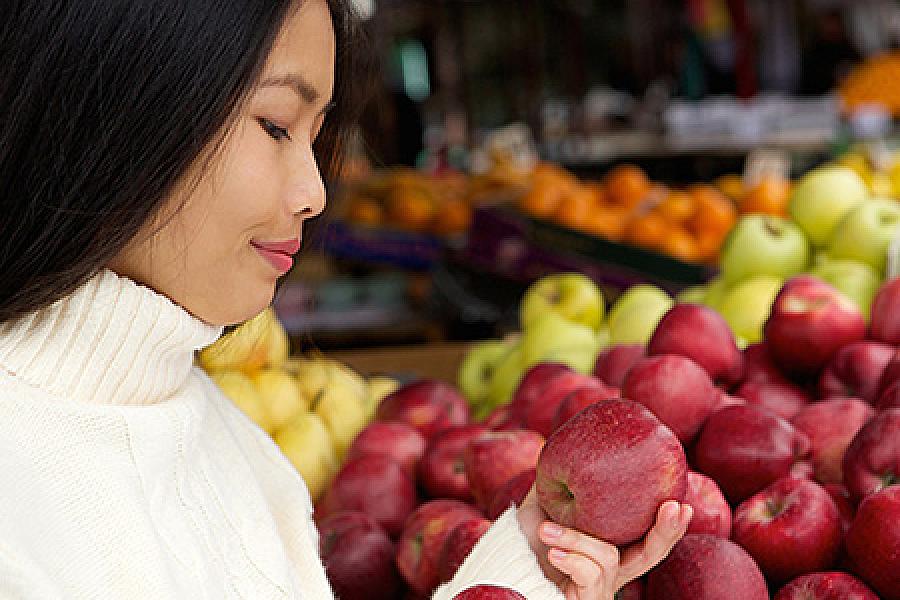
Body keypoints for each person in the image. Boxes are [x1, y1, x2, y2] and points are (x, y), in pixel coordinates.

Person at [0, 2, 692, 598]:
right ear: (114, 110)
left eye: (317, 133)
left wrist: (523, 573)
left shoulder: (226, 437)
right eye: (275, 124)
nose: (315, 192)